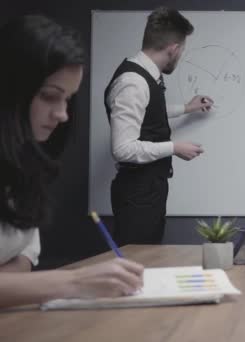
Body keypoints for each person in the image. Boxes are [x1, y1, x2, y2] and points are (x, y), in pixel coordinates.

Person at [0, 15, 143, 308]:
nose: (62, 114)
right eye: (49, 96)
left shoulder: (24, 163)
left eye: (68, 99)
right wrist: (73, 282)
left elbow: (26, 252)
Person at [104, 7, 213, 246]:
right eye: (182, 50)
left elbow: (147, 112)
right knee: (138, 266)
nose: (180, 55)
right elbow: (122, 148)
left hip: (148, 193)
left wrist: (186, 108)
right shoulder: (133, 82)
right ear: (173, 49)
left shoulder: (145, 76)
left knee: (148, 261)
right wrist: (173, 147)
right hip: (137, 197)